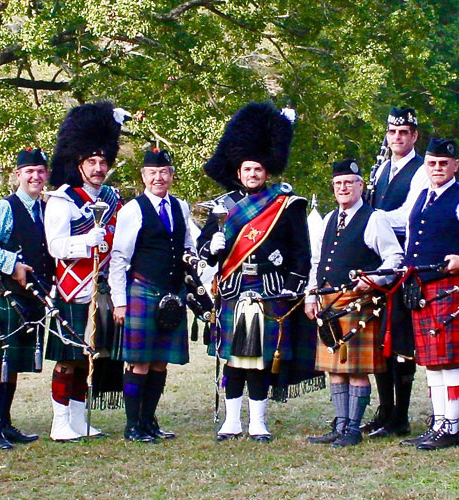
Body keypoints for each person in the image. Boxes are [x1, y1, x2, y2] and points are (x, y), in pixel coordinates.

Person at [199, 103, 316, 442]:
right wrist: (214, 247)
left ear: (267, 172)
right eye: (247, 169)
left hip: (269, 287)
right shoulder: (223, 206)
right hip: (234, 287)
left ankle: (258, 422)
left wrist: (294, 284)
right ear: (239, 171)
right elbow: (205, 249)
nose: (253, 174)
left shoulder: (287, 204)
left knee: (262, 360)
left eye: (258, 169)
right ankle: (232, 421)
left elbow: (300, 251)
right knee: (234, 359)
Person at [388, 138, 459, 450]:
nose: (437, 168)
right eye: (432, 163)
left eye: (443, 163)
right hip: (420, 286)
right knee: (432, 361)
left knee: (449, 360)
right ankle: (438, 422)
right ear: (426, 165)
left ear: (455, 166)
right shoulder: (421, 197)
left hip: (449, 287)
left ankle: (451, 427)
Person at [41, 102, 128, 442]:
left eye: (103, 162)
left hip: (103, 290)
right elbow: (55, 246)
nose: (98, 168)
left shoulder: (113, 198)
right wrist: (85, 243)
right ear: (78, 163)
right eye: (91, 162)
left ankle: (79, 419)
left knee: (88, 357)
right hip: (73, 289)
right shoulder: (63, 199)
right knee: (67, 358)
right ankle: (60, 422)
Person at [302, 159, 403, 447]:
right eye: (338, 184)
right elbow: (317, 261)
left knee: (356, 369)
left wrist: (373, 280)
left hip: (359, 302)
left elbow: (394, 259)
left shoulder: (374, 218)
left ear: (361, 186)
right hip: (328, 301)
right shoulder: (329, 218)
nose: (343, 187)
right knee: (335, 368)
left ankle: (354, 429)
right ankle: (341, 424)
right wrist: (312, 294)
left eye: (349, 182)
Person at [109, 147, 201, 443]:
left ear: (171, 175)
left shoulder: (181, 207)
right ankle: (132, 424)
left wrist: (195, 260)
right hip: (142, 291)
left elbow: (188, 244)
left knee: (161, 361)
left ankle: (149, 421)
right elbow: (119, 259)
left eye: (164, 172)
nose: (158, 177)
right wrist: (119, 301)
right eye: (152, 173)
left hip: (172, 294)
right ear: (143, 176)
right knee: (140, 362)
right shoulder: (132, 210)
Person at [0, 148, 56, 450]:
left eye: (40, 171)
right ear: (17, 175)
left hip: (34, 294)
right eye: (29, 171)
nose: (35, 176)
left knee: (14, 363)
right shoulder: (4, 208)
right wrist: (12, 264)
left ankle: (5, 425)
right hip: (6, 293)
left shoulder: (47, 209)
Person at [362, 106, 428, 439]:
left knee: (399, 341)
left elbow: (410, 215)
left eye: (404, 132)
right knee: (378, 341)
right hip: (379, 260)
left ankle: (400, 415)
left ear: (414, 135)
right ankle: (385, 410)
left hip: (403, 264)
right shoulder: (381, 169)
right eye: (392, 132)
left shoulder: (421, 170)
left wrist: (370, 220)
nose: (397, 137)